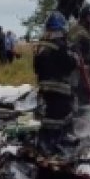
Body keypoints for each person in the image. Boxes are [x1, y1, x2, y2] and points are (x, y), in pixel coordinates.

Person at [33, 12, 78, 155]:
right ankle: (55, 143)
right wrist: (75, 58)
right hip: (60, 89)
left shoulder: (40, 45)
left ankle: (46, 142)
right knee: (59, 118)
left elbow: (36, 68)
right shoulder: (60, 46)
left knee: (49, 117)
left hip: (45, 89)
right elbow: (68, 65)